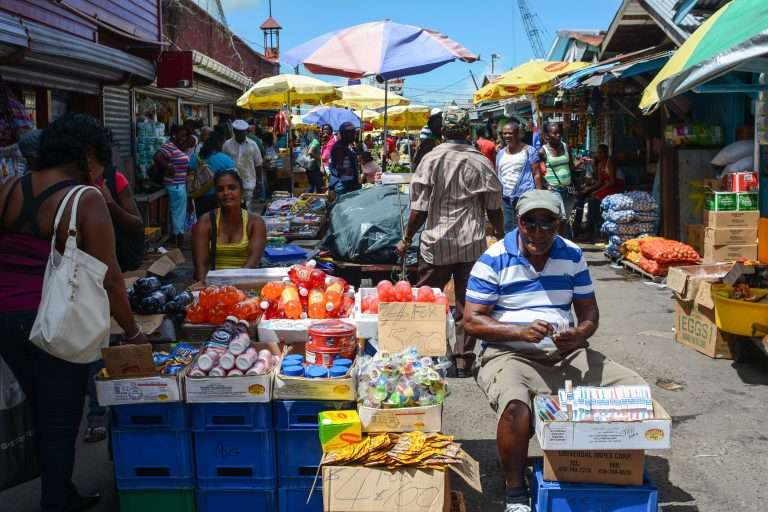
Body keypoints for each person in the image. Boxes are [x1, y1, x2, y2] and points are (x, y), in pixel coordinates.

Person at [463, 190, 646, 512]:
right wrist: (519, 332)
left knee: (633, 390)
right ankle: (516, 491)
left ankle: (598, 472)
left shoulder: (572, 255)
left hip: (565, 353)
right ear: (518, 222)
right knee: (516, 406)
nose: (538, 231)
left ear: (559, 223)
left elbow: (589, 312)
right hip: (508, 354)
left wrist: (579, 334)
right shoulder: (493, 259)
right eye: (530, 223)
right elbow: (472, 321)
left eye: (547, 223)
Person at [0, 113, 147, 512]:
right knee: (61, 419)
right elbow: (112, 278)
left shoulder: (9, 186)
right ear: (86, 156)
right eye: (100, 161)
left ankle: (61, 493)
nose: (101, 172)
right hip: (53, 320)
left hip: (5, 319)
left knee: (38, 408)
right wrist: (133, 333)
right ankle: (56, 502)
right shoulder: (85, 198)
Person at [395, 109, 504, 376]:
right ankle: (463, 360)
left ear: (442, 132)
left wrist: (406, 238)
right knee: (468, 303)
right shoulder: (481, 162)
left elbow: (419, 210)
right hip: (472, 244)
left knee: (427, 300)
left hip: (436, 244)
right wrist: (501, 235)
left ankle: (429, 355)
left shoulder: (431, 159)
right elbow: (494, 208)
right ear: (468, 132)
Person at [192, 170, 267, 281]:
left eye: (232, 187)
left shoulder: (255, 223)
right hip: (212, 287)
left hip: (244, 283)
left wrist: (232, 290)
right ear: (216, 195)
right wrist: (207, 288)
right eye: (220, 189)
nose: (226, 192)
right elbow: (201, 267)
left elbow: (251, 264)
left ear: (241, 192)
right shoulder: (205, 222)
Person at [496, 121, 540, 233]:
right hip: (506, 198)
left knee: (525, 228)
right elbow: (498, 175)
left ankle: (525, 250)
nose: (507, 136)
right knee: (508, 229)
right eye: (504, 133)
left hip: (525, 196)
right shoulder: (500, 154)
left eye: (510, 133)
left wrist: (539, 196)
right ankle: (512, 250)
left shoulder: (529, 151)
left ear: (518, 134)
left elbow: (536, 174)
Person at [538, 123, 579, 237]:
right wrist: (546, 185)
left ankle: (557, 239)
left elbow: (571, 167)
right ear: (547, 136)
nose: (558, 135)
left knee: (566, 218)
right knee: (561, 217)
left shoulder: (566, 147)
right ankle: (562, 242)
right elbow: (537, 172)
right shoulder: (542, 151)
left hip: (568, 188)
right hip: (553, 189)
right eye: (554, 133)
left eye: (559, 133)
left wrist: (580, 164)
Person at [154, 125, 190, 248]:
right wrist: (168, 167)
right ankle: (178, 238)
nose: (183, 138)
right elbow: (157, 157)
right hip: (175, 184)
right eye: (182, 135)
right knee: (177, 212)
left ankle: (178, 236)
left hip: (179, 183)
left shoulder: (175, 147)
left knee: (179, 212)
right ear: (174, 134)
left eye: (185, 135)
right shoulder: (168, 146)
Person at [578, 144, 624, 241]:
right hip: (606, 187)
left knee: (595, 199)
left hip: (615, 187)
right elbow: (600, 182)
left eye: (600, 152)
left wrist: (598, 190)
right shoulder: (599, 165)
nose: (598, 154)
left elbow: (612, 182)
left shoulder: (609, 163)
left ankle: (594, 230)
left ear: (605, 153)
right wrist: (589, 188)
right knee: (592, 198)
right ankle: (591, 230)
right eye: (597, 152)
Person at [189, 131, 237, 216]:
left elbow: (189, 172)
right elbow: (233, 179)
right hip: (219, 198)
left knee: (203, 223)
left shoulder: (197, 157)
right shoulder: (225, 159)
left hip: (199, 197)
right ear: (219, 144)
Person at [223, 119, 263, 212]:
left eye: (243, 132)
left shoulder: (253, 145)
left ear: (246, 132)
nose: (241, 134)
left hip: (248, 181)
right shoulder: (227, 145)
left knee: (247, 206)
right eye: (238, 132)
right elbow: (224, 163)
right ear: (234, 132)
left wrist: (259, 182)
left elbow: (258, 164)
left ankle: (246, 224)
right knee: (233, 206)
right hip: (232, 181)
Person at [328, 122, 361, 197]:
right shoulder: (339, 147)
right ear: (344, 134)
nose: (354, 135)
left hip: (348, 183)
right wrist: (349, 171)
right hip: (343, 185)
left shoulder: (347, 146)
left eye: (354, 132)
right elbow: (337, 167)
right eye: (352, 133)